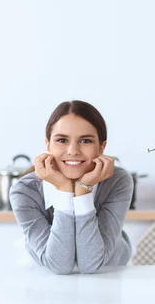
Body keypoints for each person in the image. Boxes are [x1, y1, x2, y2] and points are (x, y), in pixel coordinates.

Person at [10, 100, 134, 274]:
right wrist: (64, 189)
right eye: (62, 140)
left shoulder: (118, 181)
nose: (73, 150)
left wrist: (82, 190)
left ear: (102, 147)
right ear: (48, 145)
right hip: (46, 281)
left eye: (85, 140)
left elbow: (91, 264)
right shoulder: (25, 191)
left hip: (110, 275)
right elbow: (58, 265)